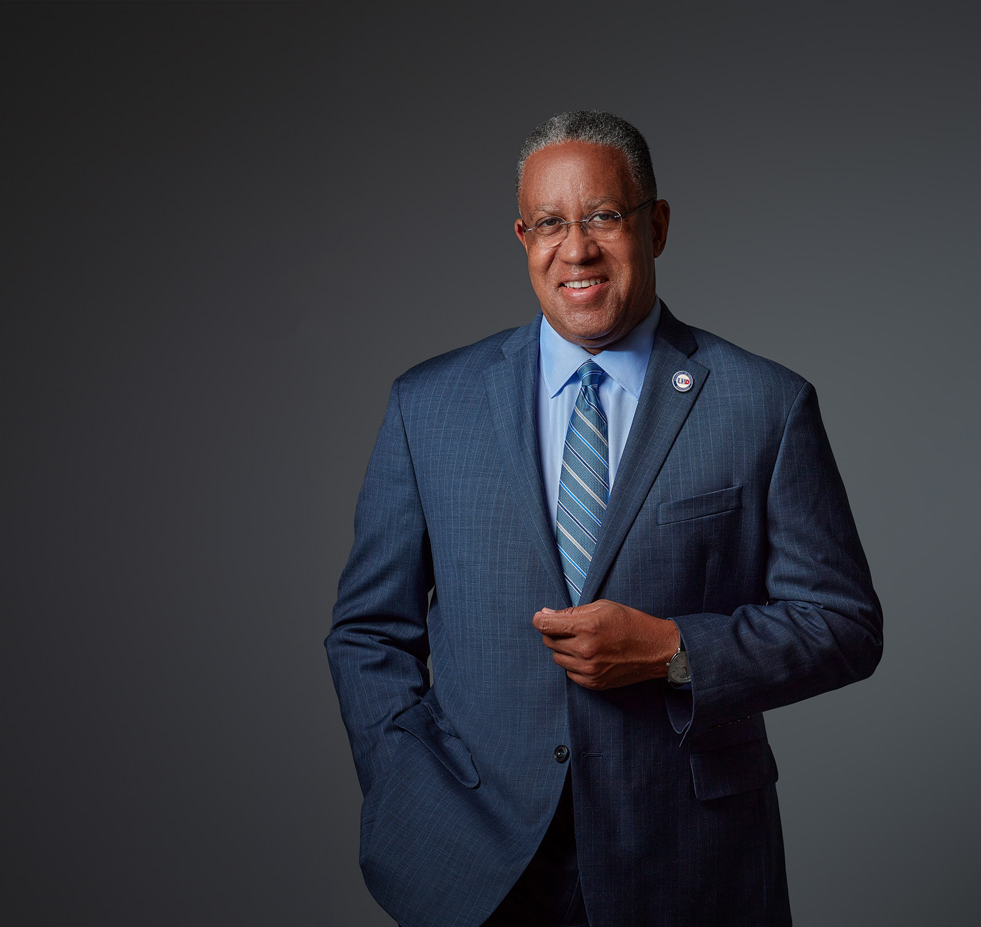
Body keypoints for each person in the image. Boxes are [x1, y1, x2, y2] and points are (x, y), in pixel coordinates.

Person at [325, 110, 882, 927]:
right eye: (550, 222)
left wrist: (674, 650)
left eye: (604, 217)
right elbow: (368, 631)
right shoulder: (429, 405)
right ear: (523, 236)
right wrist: (408, 782)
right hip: (477, 864)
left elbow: (844, 623)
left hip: (689, 860)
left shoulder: (765, 404)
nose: (575, 248)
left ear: (655, 225)